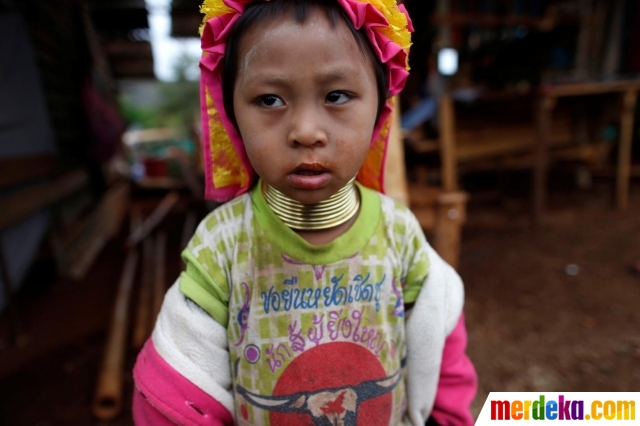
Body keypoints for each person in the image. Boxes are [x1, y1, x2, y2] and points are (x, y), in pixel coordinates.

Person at [132, 0, 477, 425]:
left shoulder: (400, 235)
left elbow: (441, 350)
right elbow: (175, 389)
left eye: (336, 96)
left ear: (379, 111)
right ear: (232, 116)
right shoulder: (222, 246)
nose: (306, 132)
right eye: (270, 99)